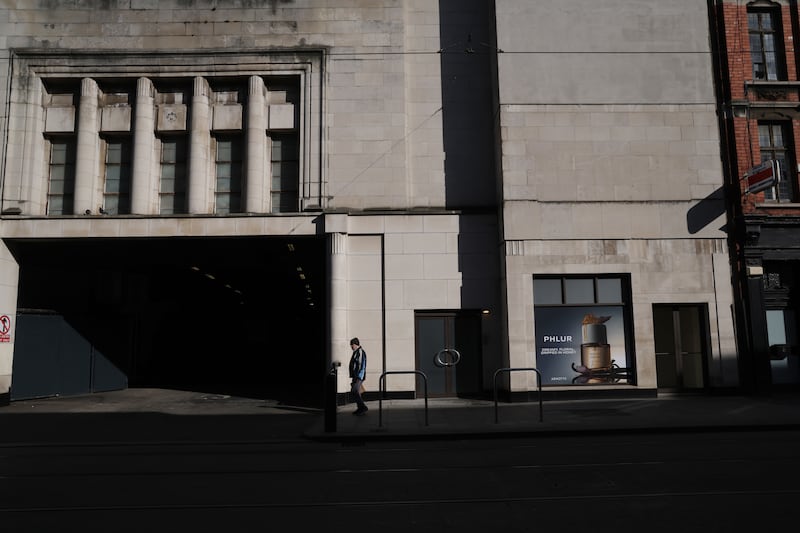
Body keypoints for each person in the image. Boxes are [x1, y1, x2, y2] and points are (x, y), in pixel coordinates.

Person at [348, 337, 368, 415]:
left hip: (358, 376)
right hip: (356, 376)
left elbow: (361, 365)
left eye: (352, 345)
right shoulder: (356, 352)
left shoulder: (360, 352)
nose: (351, 347)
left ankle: (362, 407)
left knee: (355, 391)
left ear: (356, 344)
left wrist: (358, 376)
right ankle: (360, 408)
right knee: (356, 391)